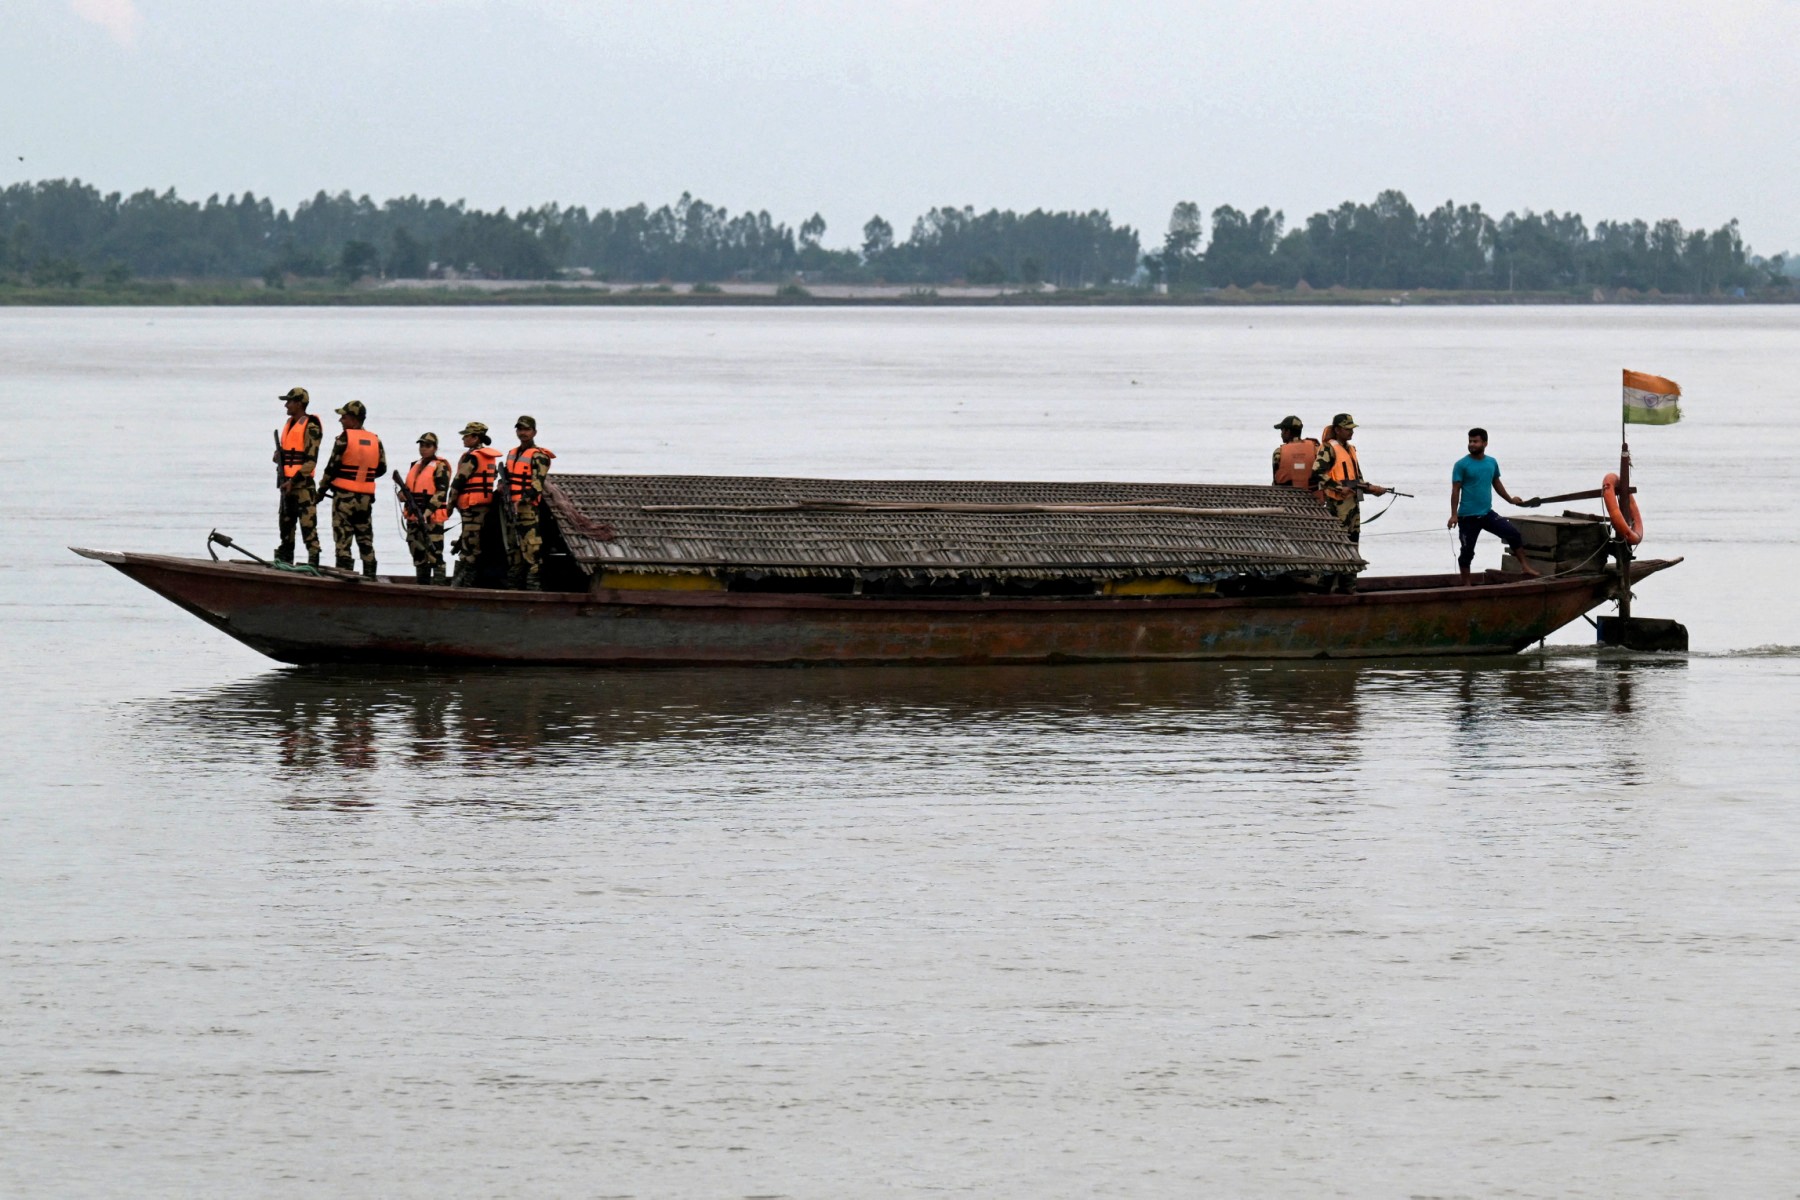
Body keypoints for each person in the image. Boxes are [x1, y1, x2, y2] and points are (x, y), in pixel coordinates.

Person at [1448, 427, 1538, 585]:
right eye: (1470, 441)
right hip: (1467, 517)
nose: (1472, 444)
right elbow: (1455, 490)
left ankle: (1525, 567)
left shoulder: (1491, 462)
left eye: (1475, 441)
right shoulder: (1461, 465)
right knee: (1467, 552)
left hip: (1486, 514)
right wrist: (1454, 515)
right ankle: (1466, 584)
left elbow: (1496, 483)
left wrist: (1510, 500)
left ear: (1485, 443)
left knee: (1513, 533)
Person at [320, 400, 385, 577]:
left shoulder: (344, 438)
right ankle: (370, 577)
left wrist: (321, 490)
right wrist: (361, 478)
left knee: (343, 539)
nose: (340, 420)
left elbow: (331, 467)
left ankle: (344, 577)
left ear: (354, 419)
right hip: (365, 499)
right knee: (365, 539)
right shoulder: (375, 440)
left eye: (344, 417)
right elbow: (382, 468)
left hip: (344, 498)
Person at [499, 415, 556, 590]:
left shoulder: (539, 456)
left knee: (531, 549)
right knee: (513, 549)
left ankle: (533, 587)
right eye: (520, 429)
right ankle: (513, 587)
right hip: (510, 508)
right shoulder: (512, 453)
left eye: (526, 429)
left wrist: (523, 500)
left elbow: (537, 485)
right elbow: (507, 478)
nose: (523, 433)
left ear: (534, 432)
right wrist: (501, 485)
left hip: (527, 509)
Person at [1312, 413, 1387, 544]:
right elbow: (1317, 472)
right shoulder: (1328, 448)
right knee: (1339, 542)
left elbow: (1358, 480)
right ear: (1337, 430)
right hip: (1338, 506)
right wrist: (1339, 488)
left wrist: (1372, 489)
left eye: (1352, 428)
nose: (1351, 431)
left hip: (1353, 506)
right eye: (1347, 429)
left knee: (1353, 542)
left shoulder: (1350, 449)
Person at [273, 386, 323, 566]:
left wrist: (293, 482)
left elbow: (310, 461)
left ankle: (313, 566)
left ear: (299, 403)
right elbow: (290, 454)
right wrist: (279, 456)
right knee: (285, 528)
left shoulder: (311, 426)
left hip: (303, 487)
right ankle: (285, 563)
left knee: (308, 529)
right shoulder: (289, 424)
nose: (286, 405)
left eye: (289, 401)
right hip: (286, 484)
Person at [449, 421, 501, 588]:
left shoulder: (472, 457)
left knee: (470, 546)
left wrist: (449, 505)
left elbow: (458, 482)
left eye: (466, 436)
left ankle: (465, 585)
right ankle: (465, 582)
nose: (463, 438)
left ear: (476, 437)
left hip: (471, 507)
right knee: (472, 541)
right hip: (483, 505)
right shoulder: (489, 457)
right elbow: (493, 477)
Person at [401, 432, 452, 585]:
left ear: (435, 448)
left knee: (434, 553)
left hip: (432, 518)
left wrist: (426, 513)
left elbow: (441, 492)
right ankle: (422, 585)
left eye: (428, 446)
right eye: (421, 446)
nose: (423, 449)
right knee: (417, 553)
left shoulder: (440, 466)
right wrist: (401, 494)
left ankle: (439, 587)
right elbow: (407, 488)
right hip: (413, 516)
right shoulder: (415, 465)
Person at [1271, 415, 1319, 491]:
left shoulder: (1279, 453)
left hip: (1287, 495)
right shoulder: (1316, 449)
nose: (1281, 434)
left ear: (1287, 432)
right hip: (1312, 495)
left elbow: (1275, 479)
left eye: (1282, 430)